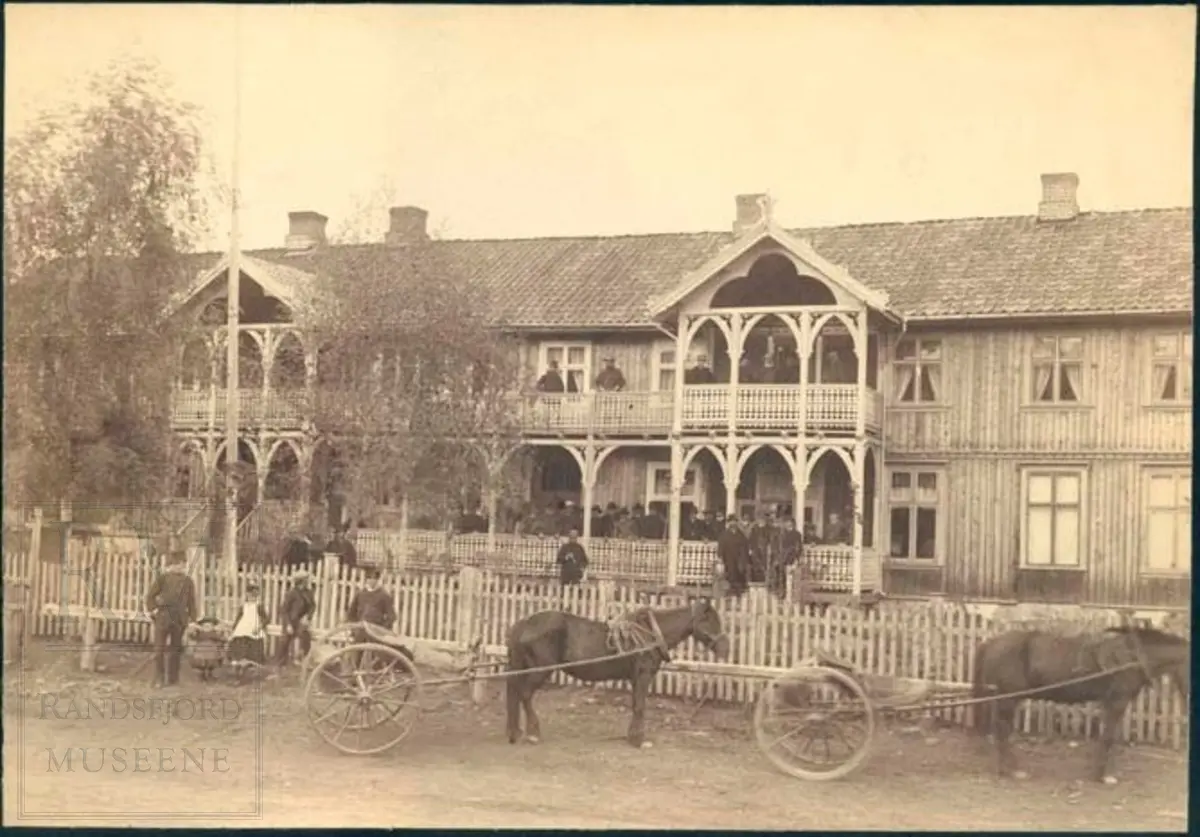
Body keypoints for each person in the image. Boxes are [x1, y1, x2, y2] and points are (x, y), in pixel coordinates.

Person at [146, 550, 198, 688]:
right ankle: (159, 678)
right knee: (159, 649)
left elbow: (191, 603)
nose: (181, 567)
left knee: (175, 649)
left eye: (183, 564)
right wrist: (154, 610)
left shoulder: (188, 582)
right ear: (173, 564)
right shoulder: (163, 578)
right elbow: (150, 597)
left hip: (179, 619)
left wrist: (193, 620)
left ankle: (173, 679)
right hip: (163, 617)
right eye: (179, 564)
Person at [228, 581, 270, 682]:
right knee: (239, 645)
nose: (252, 597)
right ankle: (238, 670)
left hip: (253, 629)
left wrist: (260, 627)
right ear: (247, 595)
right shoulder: (244, 606)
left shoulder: (259, 606)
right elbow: (238, 619)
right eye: (250, 595)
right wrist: (233, 630)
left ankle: (252, 670)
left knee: (254, 648)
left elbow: (266, 619)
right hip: (242, 629)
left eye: (254, 595)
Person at [277, 569, 316, 666]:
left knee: (305, 636)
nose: (307, 582)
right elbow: (284, 610)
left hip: (301, 621)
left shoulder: (309, 593)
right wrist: (288, 624)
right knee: (285, 640)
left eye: (307, 579)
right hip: (290, 620)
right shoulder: (291, 593)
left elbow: (312, 606)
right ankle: (280, 663)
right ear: (300, 581)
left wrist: (308, 616)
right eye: (305, 580)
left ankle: (303, 659)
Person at [716, 518, 749, 596]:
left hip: (738, 559)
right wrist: (720, 556)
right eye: (731, 522)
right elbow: (721, 547)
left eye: (734, 522)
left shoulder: (741, 535)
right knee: (729, 576)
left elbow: (745, 547)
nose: (733, 524)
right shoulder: (724, 535)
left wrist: (743, 559)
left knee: (739, 577)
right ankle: (730, 593)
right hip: (728, 559)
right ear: (729, 523)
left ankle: (738, 593)